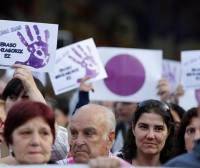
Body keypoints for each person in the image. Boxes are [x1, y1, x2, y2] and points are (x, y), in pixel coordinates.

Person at [0, 64, 69, 162]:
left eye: (26, 98)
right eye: (12, 98)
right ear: (4, 101)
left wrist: (31, 88)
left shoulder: (52, 134)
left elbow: (61, 148)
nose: (18, 104)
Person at [57, 104, 132, 167]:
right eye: (74, 133)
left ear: (110, 139)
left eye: (88, 134)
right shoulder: (58, 166)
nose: (78, 142)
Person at [121, 99, 175, 166]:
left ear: (168, 132)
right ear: (133, 128)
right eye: (144, 127)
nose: (150, 136)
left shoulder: (179, 165)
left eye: (159, 129)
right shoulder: (115, 164)